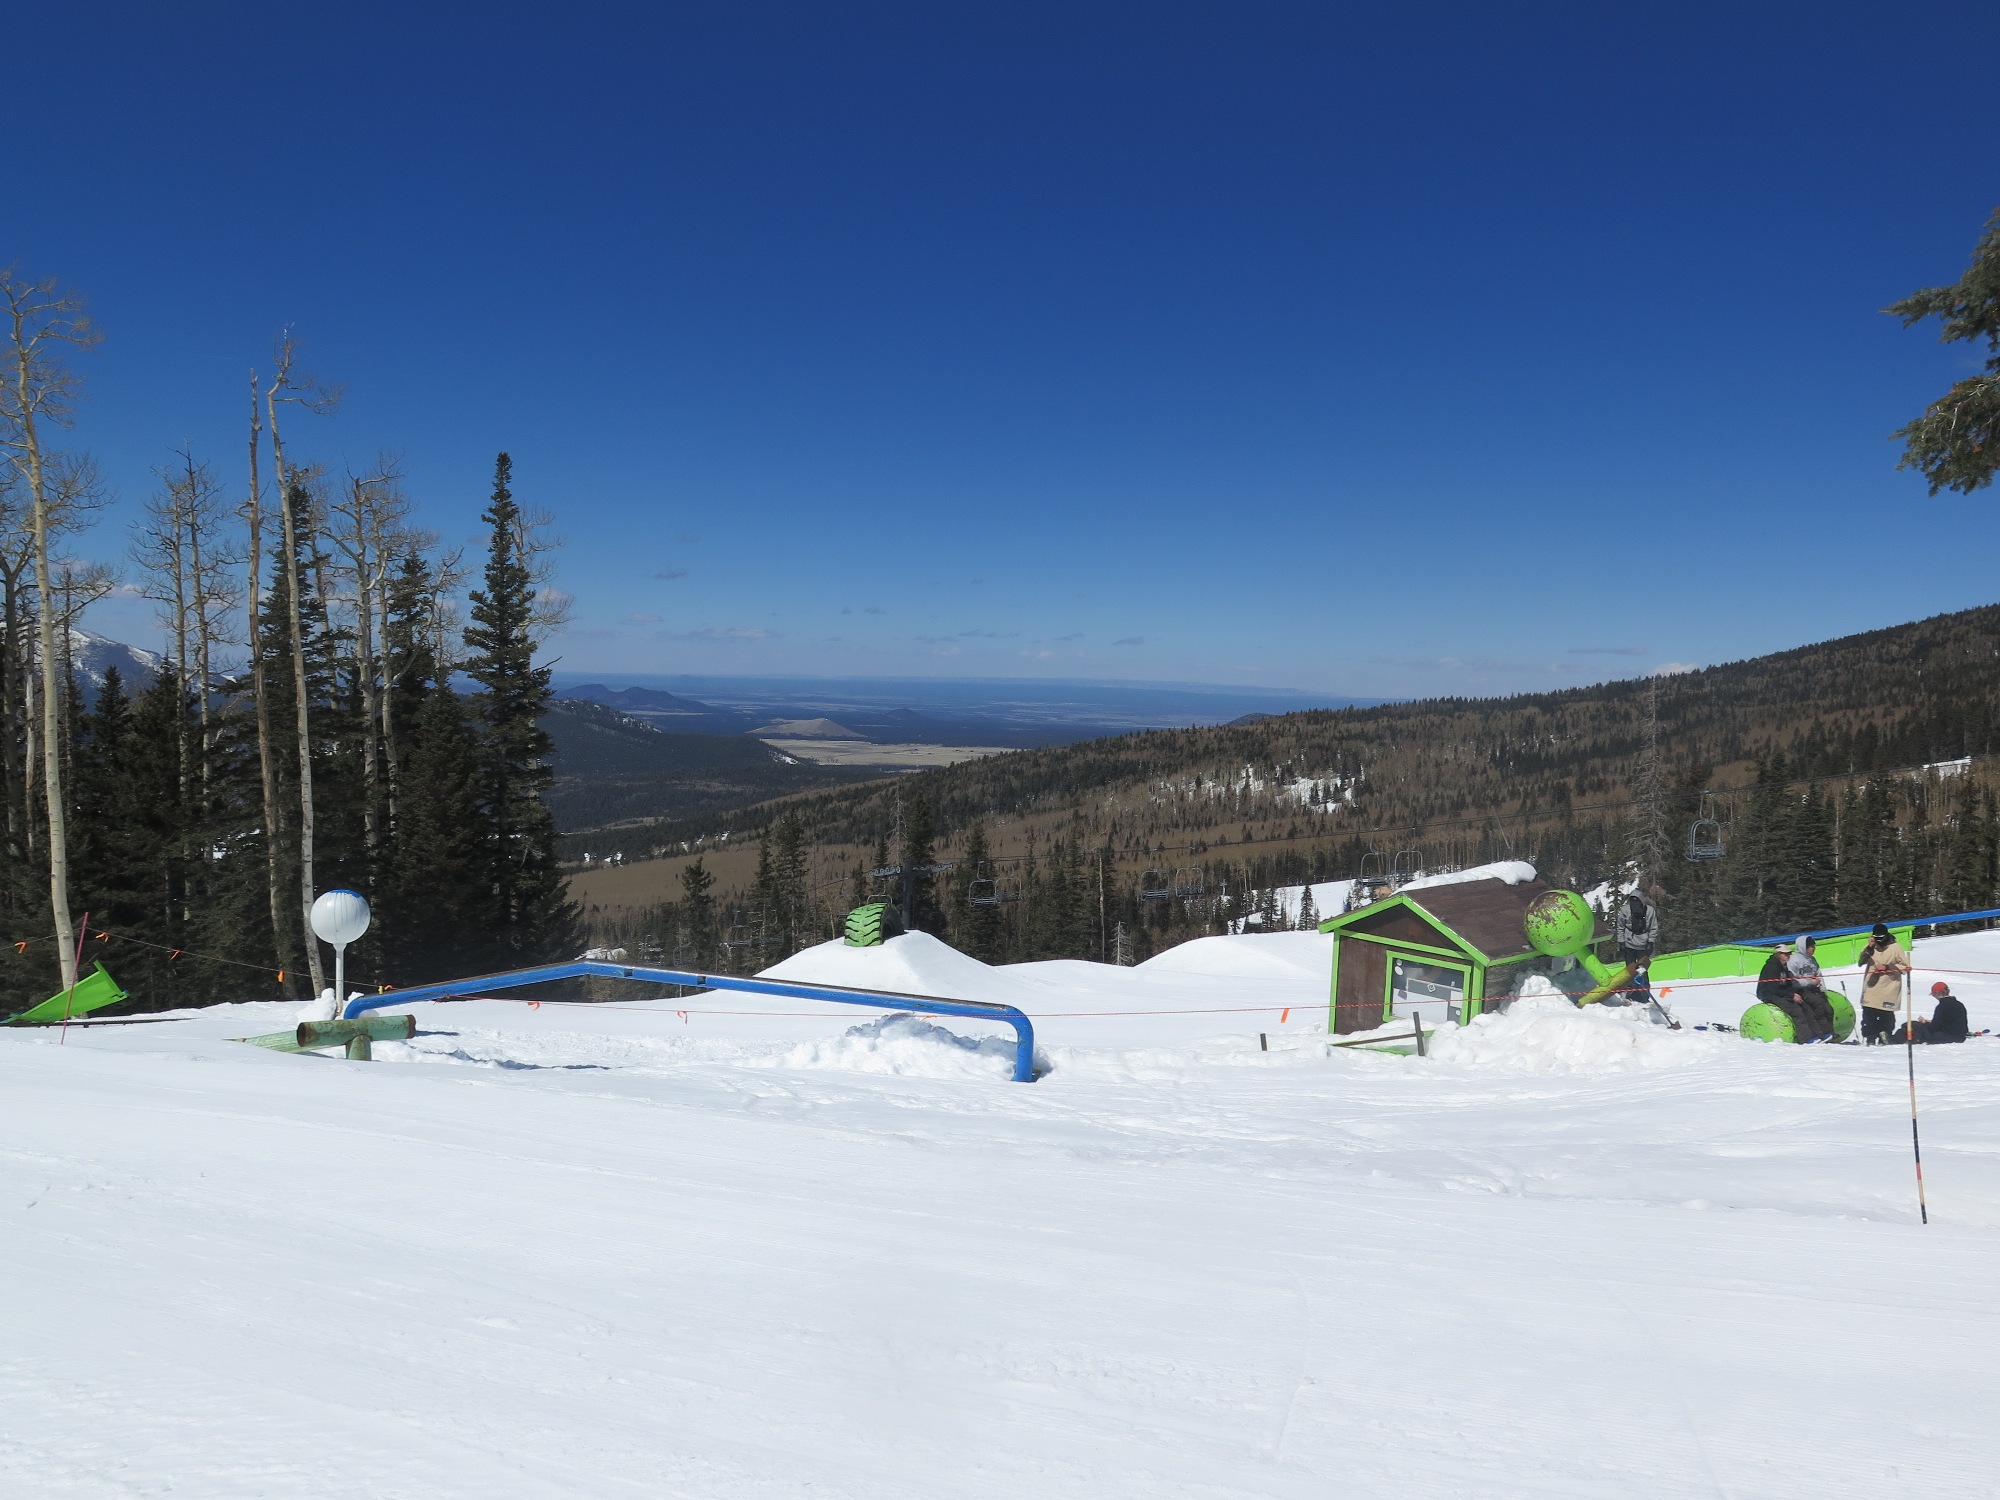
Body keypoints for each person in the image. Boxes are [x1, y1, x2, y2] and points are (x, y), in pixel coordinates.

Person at [1858, 922, 1911, 1045]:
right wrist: (1870, 947)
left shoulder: (1896, 947)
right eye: (1876, 938)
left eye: (1881, 937)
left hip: (1889, 987)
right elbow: (1861, 962)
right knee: (1869, 1014)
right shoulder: (1871, 946)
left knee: (1886, 1015)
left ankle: (1885, 1036)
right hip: (1871, 987)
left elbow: (1905, 967)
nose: (1879, 940)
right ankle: (1870, 1038)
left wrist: (1887, 967)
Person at [1786, 934, 1835, 1042]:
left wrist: (1822, 989)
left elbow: (1819, 975)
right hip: (1801, 990)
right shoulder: (1793, 960)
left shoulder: (1812, 960)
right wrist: (1810, 982)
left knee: (1829, 1009)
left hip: (1814, 989)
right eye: (1811, 946)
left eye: (1814, 946)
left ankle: (1831, 1033)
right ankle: (1821, 1032)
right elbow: (1793, 981)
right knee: (1819, 1005)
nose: (1813, 948)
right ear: (1803, 947)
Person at [1756, 941, 1811, 1036]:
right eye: (1785, 954)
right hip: (1768, 994)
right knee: (1795, 1011)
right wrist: (1791, 995)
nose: (1788, 956)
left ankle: (1815, 1034)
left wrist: (1797, 993)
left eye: (1789, 953)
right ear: (1778, 954)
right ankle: (1804, 1038)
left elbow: (1786, 985)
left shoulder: (1783, 966)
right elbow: (1773, 989)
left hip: (1779, 992)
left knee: (1805, 1006)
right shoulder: (1772, 967)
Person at [1900, 981, 1970, 1045]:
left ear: (1937, 993)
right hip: (1960, 1036)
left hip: (1945, 1036)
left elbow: (1934, 1028)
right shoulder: (1959, 1004)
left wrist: (1924, 1023)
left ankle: (1898, 1040)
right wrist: (1930, 1022)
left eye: (1933, 995)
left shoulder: (1942, 1006)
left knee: (1913, 1025)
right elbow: (1951, 1022)